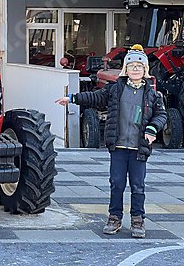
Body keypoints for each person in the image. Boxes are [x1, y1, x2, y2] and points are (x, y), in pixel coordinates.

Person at [55, 44, 167, 238]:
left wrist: (152, 129)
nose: (135, 69)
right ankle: (114, 218)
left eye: (139, 67)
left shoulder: (152, 94)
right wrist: (72, 98)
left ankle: (138, 220)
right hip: (119, 146)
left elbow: (161, 115)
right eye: (131, 65)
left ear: (145, 69)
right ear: (125, 68)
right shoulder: (115, 89)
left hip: (139, 148)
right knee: (116, 183)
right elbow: (95, 97)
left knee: (138, 185)